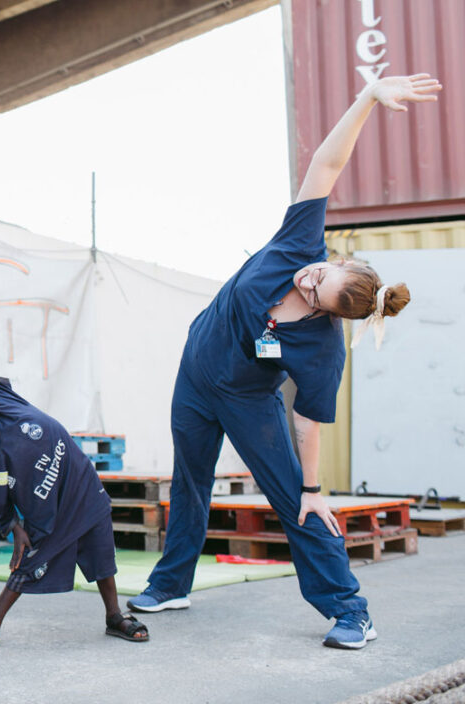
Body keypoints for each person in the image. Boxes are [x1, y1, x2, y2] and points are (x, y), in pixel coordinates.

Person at [126, 74, 441, 650]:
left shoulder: (323, 350)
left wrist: (315, 486)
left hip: (248, 400)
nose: (308, 281)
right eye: (320, 274)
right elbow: (326, 163)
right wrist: (367, 97)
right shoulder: (301, 242)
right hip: (195, 375)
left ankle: (350, 611)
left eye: (316, 293)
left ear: (329, 315)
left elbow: (308, 421)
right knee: (189, 482)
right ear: (333, 258)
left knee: (297, 501)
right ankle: (171, 584)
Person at [0, 299, 149, 651]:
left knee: (102, 557)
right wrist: (16, 531)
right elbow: (3, 507)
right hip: (48, 516)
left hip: (83, 488)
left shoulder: (0, 401)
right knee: (28, 565)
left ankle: (114, 616)